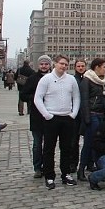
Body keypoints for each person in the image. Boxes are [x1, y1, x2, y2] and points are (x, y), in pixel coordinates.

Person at [34, 54, 80, 189]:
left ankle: (65, 174)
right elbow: (38, 98)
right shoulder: (46, 79)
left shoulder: (71, 80)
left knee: (66, 148)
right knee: (49, 148)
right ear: (55, 64)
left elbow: (76, 97)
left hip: (67, 117)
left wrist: (74, 114)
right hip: (52, 118)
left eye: (66, 64)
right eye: (61, 64)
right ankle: (49, 176)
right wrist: (47, 115)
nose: (63, 66)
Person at [77, 58, 105, 182]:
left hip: (101, 115)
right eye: (103, 66)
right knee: (89, 143)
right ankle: (81, 170)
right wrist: (86, 118)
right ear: (97, 67)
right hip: (92, 115)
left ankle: (101, 169)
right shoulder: (87, 80)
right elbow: (84, 100)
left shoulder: (103, 80)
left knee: (99, 144)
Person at [20, 54, 52, 177]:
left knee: (49, 145)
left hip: (50, 115)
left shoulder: (53, 77)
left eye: (46, 64)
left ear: (49, 65)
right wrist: (34, 98)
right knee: (37, 144)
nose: (44, 66)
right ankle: (37, 167)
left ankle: (47, 166)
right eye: (42, 64)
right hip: (37, 116)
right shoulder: (33, 78)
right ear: (38, 65)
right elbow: (23, 95)